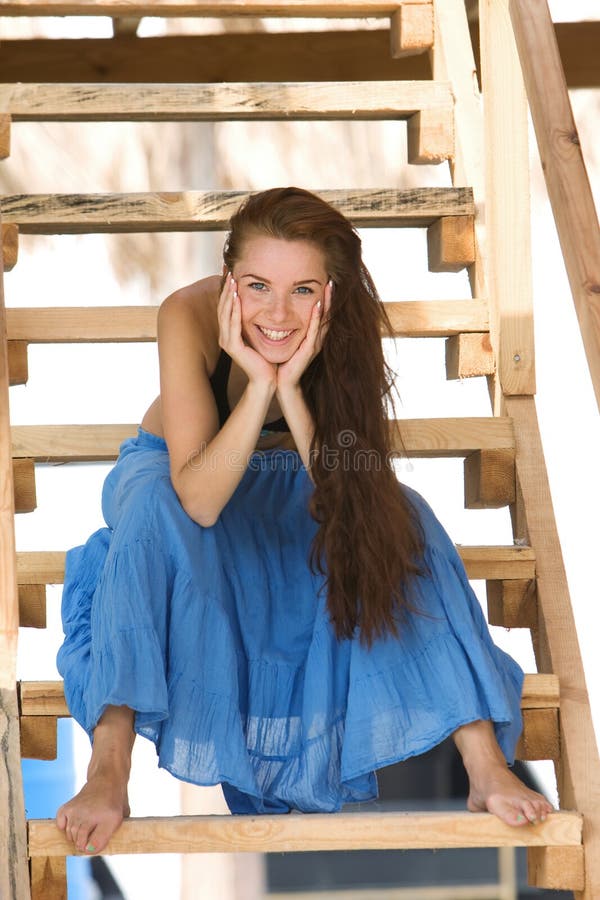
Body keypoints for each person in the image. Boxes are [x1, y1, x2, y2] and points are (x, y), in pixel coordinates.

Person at [56, 186, 553, 856]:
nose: (278, 313)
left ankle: (484, 763)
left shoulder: (342, 328)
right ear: (229, 277)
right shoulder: (188, 314)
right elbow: (198, 497)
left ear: (331, 291)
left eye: (302, 290)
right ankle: (109, 769)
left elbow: (346, 490)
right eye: (258, 286)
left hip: (300, 471)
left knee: (404, 519)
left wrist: (290, 389)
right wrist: (258, 380)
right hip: (187, 470)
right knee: (149, 517)